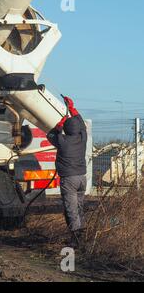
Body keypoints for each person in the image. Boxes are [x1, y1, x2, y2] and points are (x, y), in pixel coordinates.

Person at [47, 97, 87, 247]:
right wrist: (72, 108)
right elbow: (81, 124)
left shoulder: (62, 141)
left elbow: (50, 134)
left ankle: (76, 241)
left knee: (71, 210)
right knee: (79, 207)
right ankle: (83, 235)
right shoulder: (82, 137)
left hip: (69, 180)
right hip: (82, 178)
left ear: (66, 130)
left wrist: (61, 122)